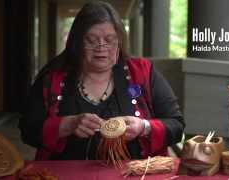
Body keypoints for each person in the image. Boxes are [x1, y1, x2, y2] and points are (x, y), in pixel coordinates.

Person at [19, 1, 185, 160]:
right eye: (91, 40)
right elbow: (27, 130)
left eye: (109, 40)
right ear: (77, 43)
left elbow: (176, 125)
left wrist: (144, 127)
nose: (101, 48)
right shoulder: (52, 76)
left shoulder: (142, 72)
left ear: (119, 41)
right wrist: (65, 125)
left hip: (136, 173)